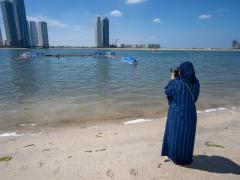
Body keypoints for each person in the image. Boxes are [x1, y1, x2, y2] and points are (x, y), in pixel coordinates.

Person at [161, 61, 200, 165]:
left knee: (175, 135)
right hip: (190, 113)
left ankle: (176, 157)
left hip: (177, 114)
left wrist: (172, 78)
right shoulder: (196, 83)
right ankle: (186, 158)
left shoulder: (178, 84)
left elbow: (168, 91)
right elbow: (193, 98)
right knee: (186, 137)